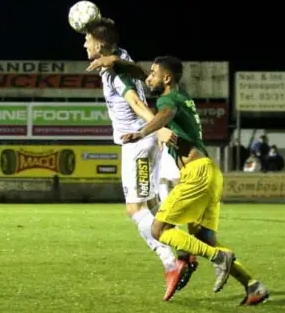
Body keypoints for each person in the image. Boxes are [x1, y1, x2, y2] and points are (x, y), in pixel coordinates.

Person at [88, 55, 269, 304]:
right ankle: (253, 286)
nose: (149, 77)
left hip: (196, 175)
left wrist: (143, 131)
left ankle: (218, 258)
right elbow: (143, 78)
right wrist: (116, 61)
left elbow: (165, 112)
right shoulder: (183, 97)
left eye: (153, 73)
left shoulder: (168, 99)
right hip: (211, 172)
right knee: (204, 239)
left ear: (167, 78)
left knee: (158, 229)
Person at [83, 18, 190, 301]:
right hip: (142, 143)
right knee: (154, 205)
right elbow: (131, 64)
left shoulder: (114, 73)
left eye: (87, 40)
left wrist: (158, 126)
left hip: (137, 143)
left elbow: (136, 103)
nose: (84, 44)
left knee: (135, 209)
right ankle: (186, 252)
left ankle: (171, 262)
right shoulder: (123, 57)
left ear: (99, 45)